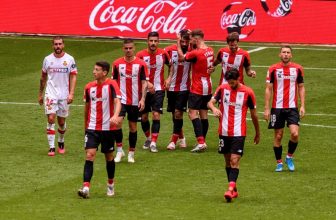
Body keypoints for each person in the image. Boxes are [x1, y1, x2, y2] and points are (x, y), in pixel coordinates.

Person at [208, 69, 260, 202]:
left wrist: (257, 132)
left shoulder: (248, 92)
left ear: (239, 79)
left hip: (239, 133)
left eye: (233, 82)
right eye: (229, 83)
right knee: (227, 162)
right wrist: (214, 109)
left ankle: (230, 189)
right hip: (224, 132)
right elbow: (210, 102)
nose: (231, 85)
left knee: (234, 160)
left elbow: (254, 114)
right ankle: (234, 189)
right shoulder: (222, 88)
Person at [78, 61, 122, 199]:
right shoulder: (88, 87)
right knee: (90, 155)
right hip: (92, 128)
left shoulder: (111, 85)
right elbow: (87, 108)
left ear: (104, 72)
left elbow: (117, 101)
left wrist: (115, 115)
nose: (94, 72)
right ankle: (86, 187)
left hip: (108, 128)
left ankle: (110, 184)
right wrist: (86, 126)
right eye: (94, 69)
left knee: (109, 157)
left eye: (97, 70)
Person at [264, 45, 305, 172]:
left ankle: (289, 157)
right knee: (278, 136)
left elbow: (301, 87)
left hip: (292, 107)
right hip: (277, 108)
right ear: (279, 54)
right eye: (283, 52)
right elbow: (268, 89)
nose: (286, 54)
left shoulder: (298, 69)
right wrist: (267, 108)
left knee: (295, 133)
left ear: (291, 55)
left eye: (288, 52)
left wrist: (303, 105)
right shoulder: (273, 69)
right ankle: (279, 163)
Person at [38, 36, 77, 156]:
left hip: (64, 94)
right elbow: (43, 77)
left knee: (61, 122)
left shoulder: (70, 59)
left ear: (63, 45)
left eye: (60, 44)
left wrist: (71, 93)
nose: (58, 46)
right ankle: (51, 147)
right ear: (52, 46)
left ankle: (61, 141)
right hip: (50, 93)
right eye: (55, 44)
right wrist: (40, 93)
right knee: (50, 119)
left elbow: (73, 76)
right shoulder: (47, 59)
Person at [176, 29, 214, 152]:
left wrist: (177, 42)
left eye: (191, 39)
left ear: (196, 39)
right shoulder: (210, 50)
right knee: (204, 114)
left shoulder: (196, 53)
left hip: (197, 86)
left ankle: (201, 142)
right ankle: (203, 140)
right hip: (208, 85)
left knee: (192, 113)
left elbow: (182, 57)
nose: (189, 41)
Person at [112, 39, 149, 163]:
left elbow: (144, 83)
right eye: (126, 48)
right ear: (123, 49)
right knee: (117, 123)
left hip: (135, 100)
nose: (128, 50)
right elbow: (114, 82)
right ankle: (119, 151)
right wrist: (115, 98)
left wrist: (143, 99)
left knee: (133, 127)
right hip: (121, 100)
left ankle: (131, 153)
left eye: (130, 48)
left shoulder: (141, 64)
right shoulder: (117, 63)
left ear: (134, 49)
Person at [136, 31, 172, 153]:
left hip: (159, 89)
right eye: (151, 41)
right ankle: (148, 138)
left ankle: (153, 142)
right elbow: (137, 73)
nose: (153, 43)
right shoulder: (140, 55)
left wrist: (169, 78)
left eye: (155, 41)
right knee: (144, 117)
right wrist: (147, 82)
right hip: (144, 90)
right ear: (147, 41)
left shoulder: (163, 54)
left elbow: (171, 66)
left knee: (156, 114)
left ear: (158, 42)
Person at [164, 29, 191, 150]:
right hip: (171, 88)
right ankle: (182, 137)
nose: (184, 44)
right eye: (182, 42)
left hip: (184, 87)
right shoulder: (169, 50)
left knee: (178, 113)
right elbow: (162, 65)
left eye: (186, 41)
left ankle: (173, 141)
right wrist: (168, 78)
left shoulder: (192, 51)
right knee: (174, 115)